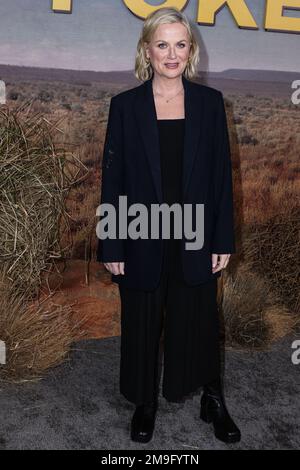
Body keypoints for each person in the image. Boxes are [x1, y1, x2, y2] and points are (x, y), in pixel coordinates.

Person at [97, 7, 241, 444]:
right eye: (162, 44)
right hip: (141, 230)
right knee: (141, 318)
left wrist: (221, 237)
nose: (172, 54)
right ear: (147, 50)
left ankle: (211, 396)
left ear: (191, 50)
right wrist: (112, 244)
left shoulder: (210, 104)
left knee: (198, 318)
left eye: (181, 44)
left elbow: (220, 176)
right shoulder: (124, 107)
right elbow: (113, 178)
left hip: (195, 231)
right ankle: (144, 401)